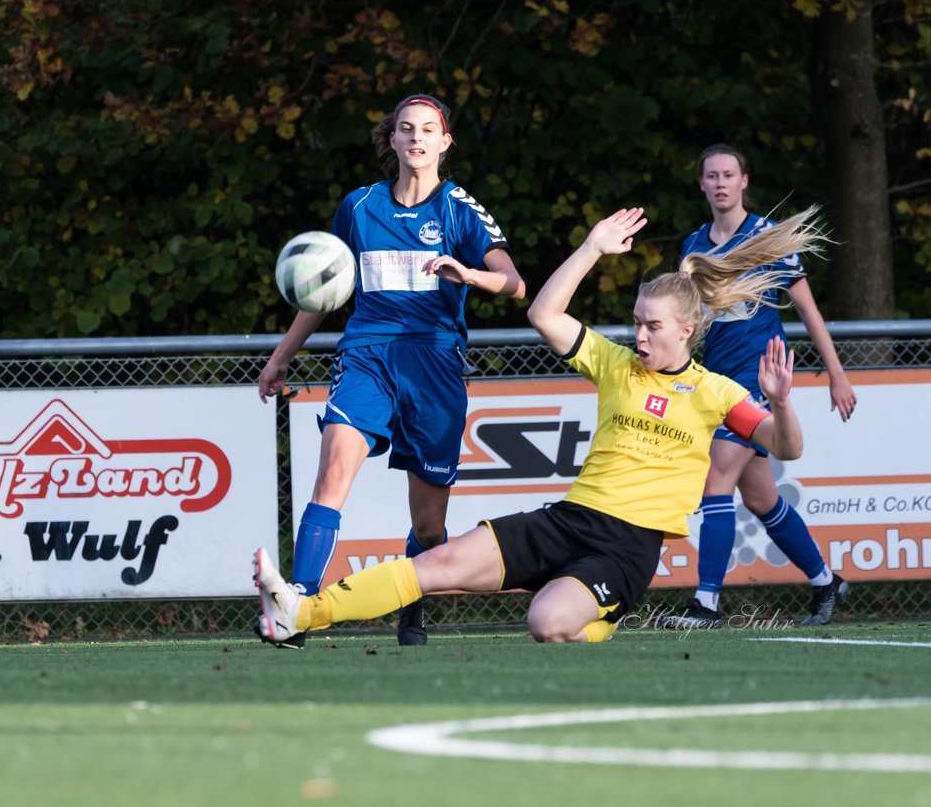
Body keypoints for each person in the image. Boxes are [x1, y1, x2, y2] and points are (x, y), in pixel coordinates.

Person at [255, 206, 821, 647]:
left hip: (625, 552)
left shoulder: (716, 392)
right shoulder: (616, 363)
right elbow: (543, 313)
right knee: (436, 564)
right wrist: (591, 248)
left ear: (689, 329)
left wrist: (782, 404)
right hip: (569, 520)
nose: (640, 336)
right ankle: (301, 612)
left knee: (547, 623)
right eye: (636, 323)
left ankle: (602, 619)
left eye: (653, 327)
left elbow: (784, 447)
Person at [257, 94, 525, 647]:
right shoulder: (358, 208)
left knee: (428, 524)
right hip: (368, 355)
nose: (417, 137)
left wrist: (469, 275)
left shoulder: (459, 209)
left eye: (428, 129)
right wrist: (281, 356)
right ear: (394, 140)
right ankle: (298, 608)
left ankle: (412, 605)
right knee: (333, 471)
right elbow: (322, 291)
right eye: (406, 129)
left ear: (445, 142)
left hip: (434, 365)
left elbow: (515, 283)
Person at [660, 144, 856, 631]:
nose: (721, 183)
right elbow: (691, 321)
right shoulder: (693, 247)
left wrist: (836, 374)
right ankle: (825, 581)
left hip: (758, 379)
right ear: (702, 184)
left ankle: (705, 604)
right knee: (761, 499)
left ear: (744, 181)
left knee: (715, 482)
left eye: (729, 174)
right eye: (712, 175)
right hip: (715, 383)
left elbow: (808, 310)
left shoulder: (766, 238)